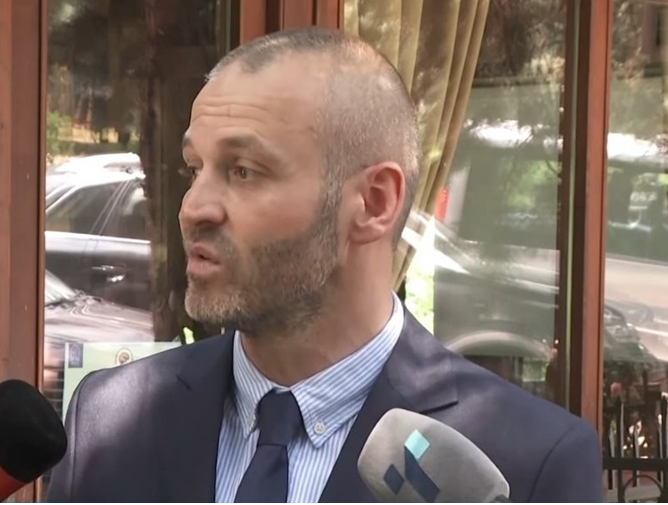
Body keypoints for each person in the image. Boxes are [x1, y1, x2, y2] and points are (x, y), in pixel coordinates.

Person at [45, 27, 603, 503]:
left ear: (374, 203)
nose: (194, 208)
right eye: (196, 168)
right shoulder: (107, 417)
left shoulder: (526, 463)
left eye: (243, 170)